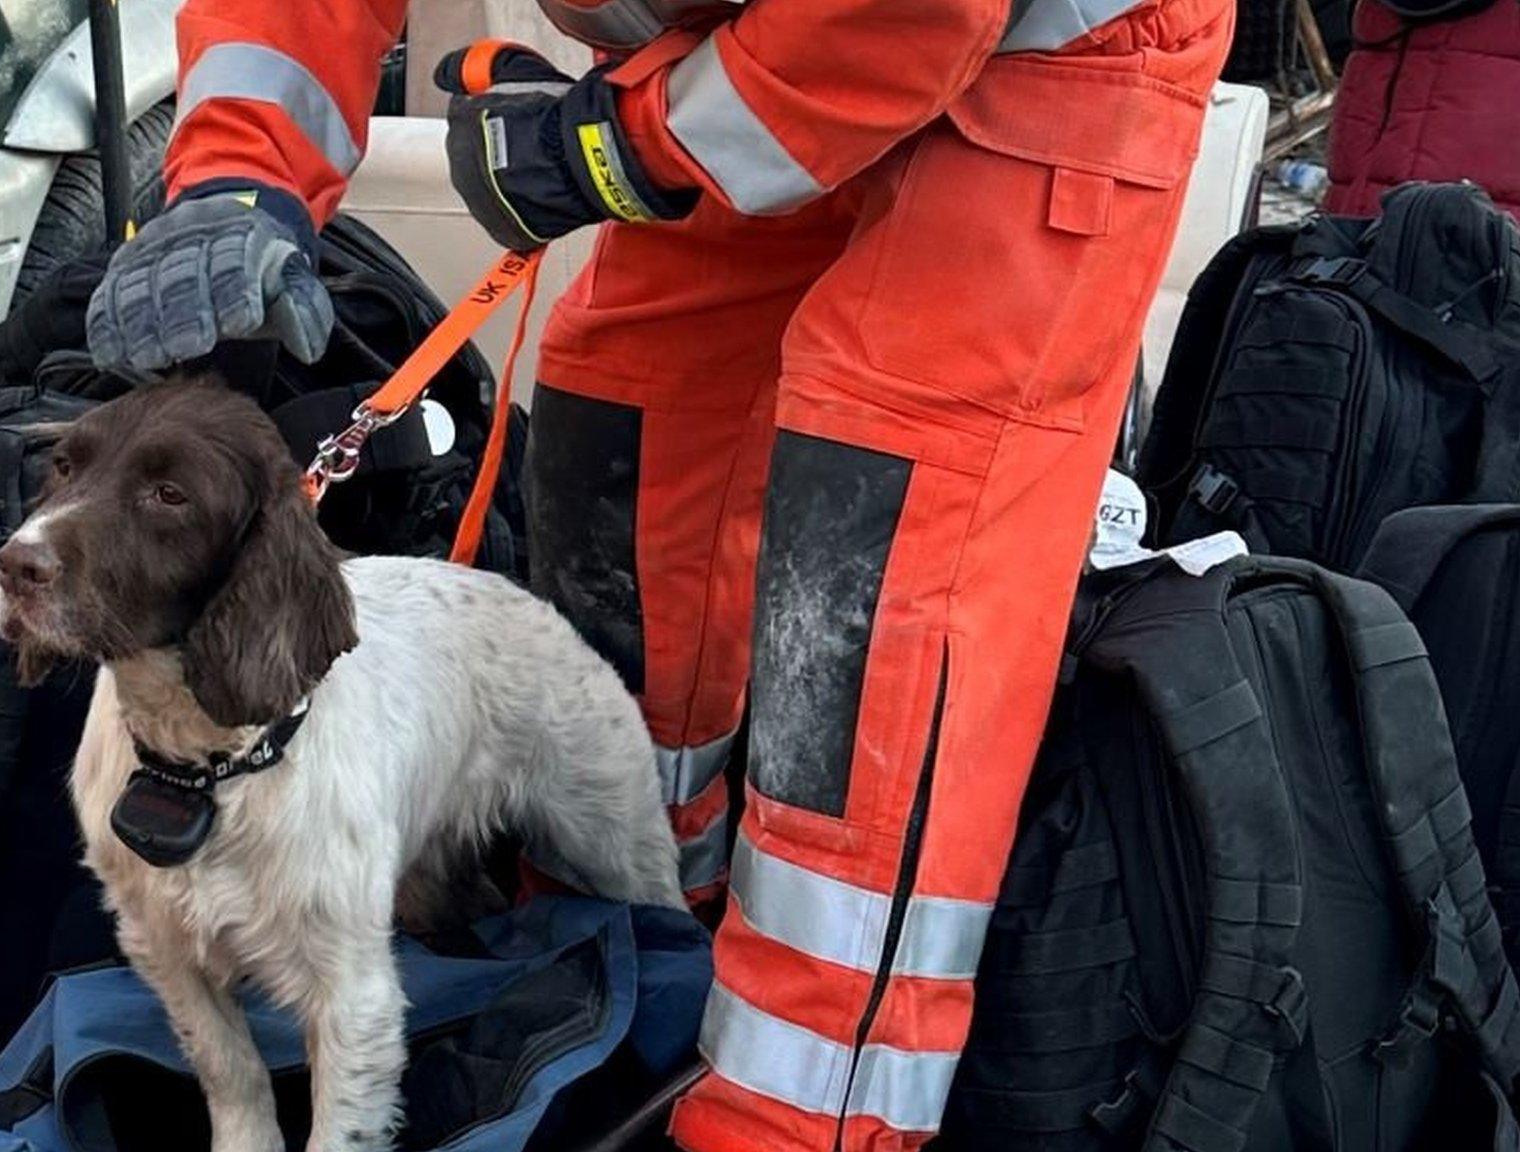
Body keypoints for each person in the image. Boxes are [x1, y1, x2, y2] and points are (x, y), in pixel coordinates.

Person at [83, 0, 1233, 1143]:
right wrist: (241, 170)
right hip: (744, 51)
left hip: (1035, 62)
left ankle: (802, 1111)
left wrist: (622, 142)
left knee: (875, 564)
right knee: (624, 439)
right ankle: (634, 940)